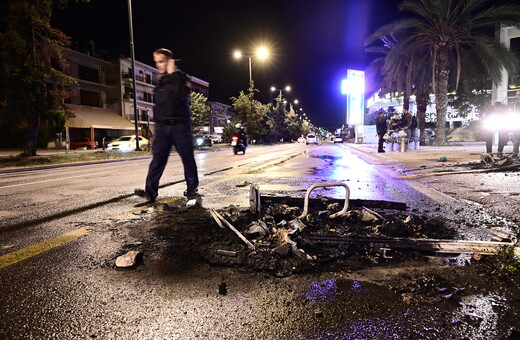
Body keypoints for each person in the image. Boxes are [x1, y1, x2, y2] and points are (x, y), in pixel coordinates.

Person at [135, 48, 199, 205]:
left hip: (180, 125)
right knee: (158, 159)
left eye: (161, 61)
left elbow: (180, 93)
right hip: (163, 127)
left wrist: (173, 74)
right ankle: (150, 192)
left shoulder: (181, 78)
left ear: (170, 61)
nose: (157, 65)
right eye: (156, 61)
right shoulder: (161, 81)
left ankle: (192, 188)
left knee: (187, 157)